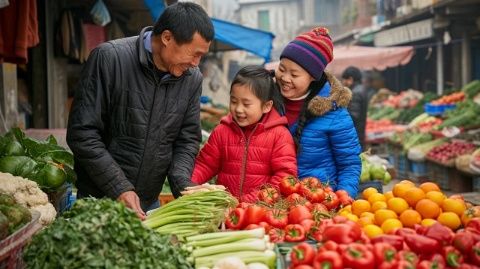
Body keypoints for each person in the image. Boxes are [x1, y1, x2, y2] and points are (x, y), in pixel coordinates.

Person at [66, 2, 214, 219]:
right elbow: (82, 134)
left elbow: (187, 140)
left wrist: (183, 184)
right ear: (167, 38)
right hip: (98, 201)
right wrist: (119, 187)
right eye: (194, 54)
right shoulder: (109, 59)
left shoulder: (192, 79)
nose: (196, 63)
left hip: (148, 203)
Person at [274, 27, 361, 198]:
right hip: (273, 203)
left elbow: (349, 165)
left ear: (313, 77)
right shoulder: (267, 101)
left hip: (317, 203)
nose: (284, 78)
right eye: (282, 69)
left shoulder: (334, 114)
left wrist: (342, 197)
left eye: (294, 74)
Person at [191, 66, 297, 202]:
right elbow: (205, 164)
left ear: (266, 106)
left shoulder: (280, 135)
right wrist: (189, 184)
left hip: (261, 212)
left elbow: (284, 177)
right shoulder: (222, 131)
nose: (239, 109)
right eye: (234, 101)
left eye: (246, 104)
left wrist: (247, 201)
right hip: (225, 209)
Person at [342, 66, 367, 150]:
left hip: (355, 135)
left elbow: (353, 116)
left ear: (350, 79)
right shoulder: (361, 89)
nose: (343, 82)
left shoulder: (355, 93)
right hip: (359, 133)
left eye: (344, 79)